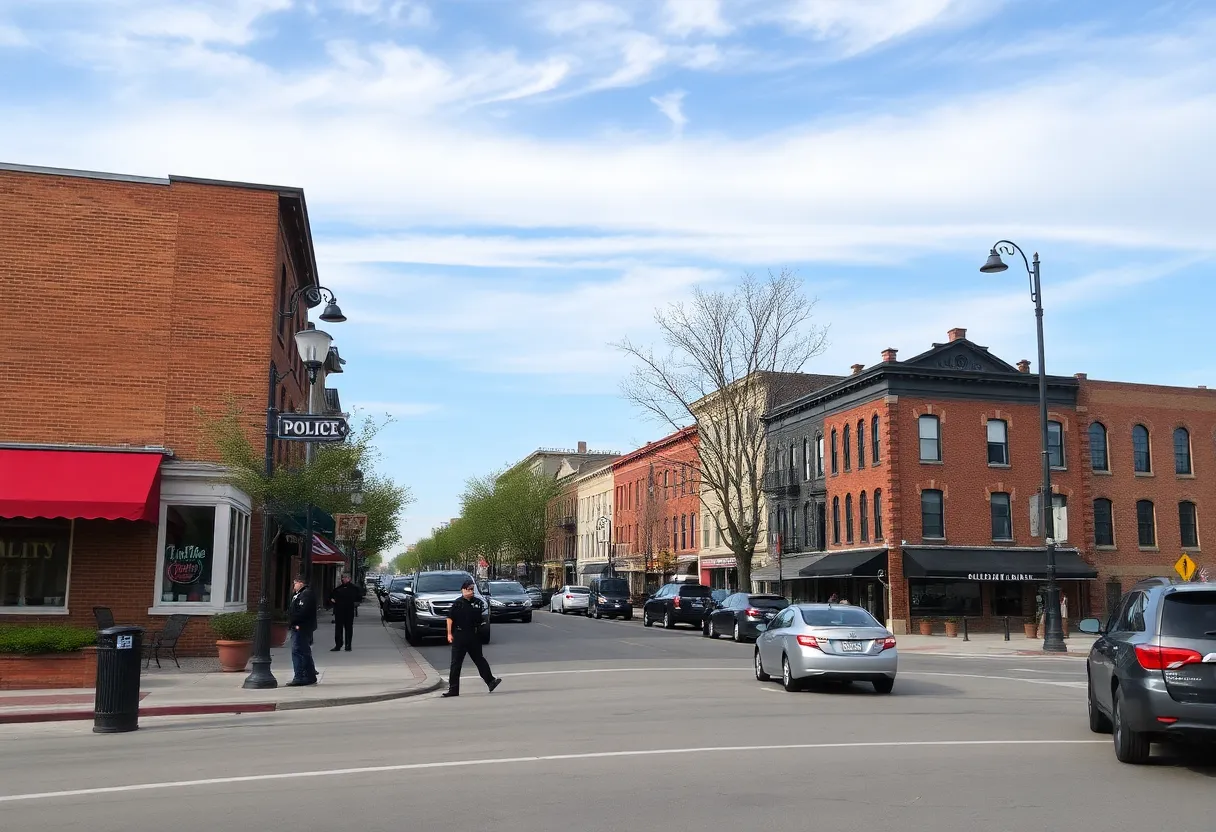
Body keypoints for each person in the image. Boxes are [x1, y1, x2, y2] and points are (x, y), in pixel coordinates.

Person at [443, 578, 501, 698]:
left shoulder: (477, 603)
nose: (471, 591)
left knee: (479, 660)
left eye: (472, 589)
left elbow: (481, 619)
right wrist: (449, 634)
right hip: (459, 635)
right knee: (456, 663)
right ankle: (453, 689)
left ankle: (491, 681)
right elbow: (449, 619)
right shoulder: (457, 603)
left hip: (473, 635)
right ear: (462, 590)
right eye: (468, 589)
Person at [287, 576, 318, 686]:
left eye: (295, 583)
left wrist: (293, 621)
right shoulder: (299, 594)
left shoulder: (306, 594)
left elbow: (303, 611)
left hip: (301, 627)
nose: (294, 586)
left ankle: (300, 676)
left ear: (301, 583)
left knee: (298, 651)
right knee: (303, 651)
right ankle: (309, 675)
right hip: (299, 626)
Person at [328, 572, 362, 651]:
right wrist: (333, 601)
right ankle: (338, 645)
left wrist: (354, 605)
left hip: (349, 611)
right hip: (339, 611)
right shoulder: (338, 589)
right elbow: (331, 598)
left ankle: (348, 645)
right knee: (338, 629)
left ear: (349, 578)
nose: (344, 579)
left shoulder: (354, 588)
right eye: (343, 577)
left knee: (348, 628)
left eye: (346, 577)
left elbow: (359, 599)